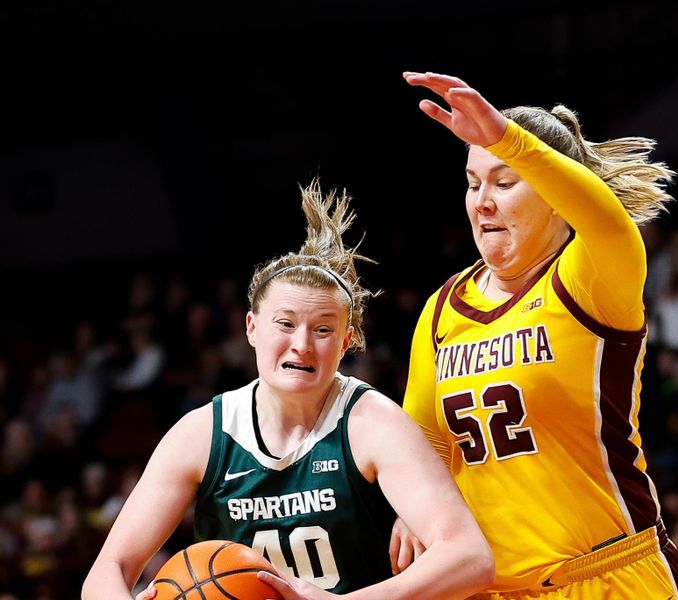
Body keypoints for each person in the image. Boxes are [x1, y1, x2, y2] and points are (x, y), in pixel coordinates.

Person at [82, 180, 494, 600]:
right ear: (251, 328)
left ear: (347, 341)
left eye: (322, 329)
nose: (301, 344)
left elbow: (469, 558)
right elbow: (106, 571)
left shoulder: (372, 423)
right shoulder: (202, 434)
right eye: (285, 323)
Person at [397, 71, 678, 599]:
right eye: (473, 183)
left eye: (505, 182)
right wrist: (414, 508)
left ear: (557, 196)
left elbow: (607, 221)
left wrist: (507, 137)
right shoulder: (443, 308)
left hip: (607, 578)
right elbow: (426, 441)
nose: (482, 202)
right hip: (491, 590)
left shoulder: (591, 273)